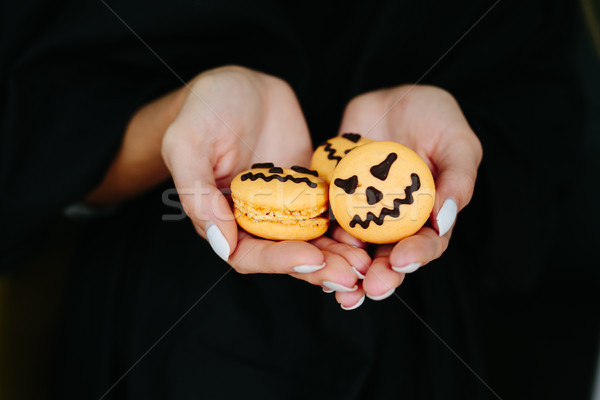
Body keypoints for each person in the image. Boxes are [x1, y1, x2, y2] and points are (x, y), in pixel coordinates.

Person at [1, 0, 598, 399]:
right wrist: (172, 126)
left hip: (421, 342)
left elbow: (546, 126)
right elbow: (31, 132)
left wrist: (455, 148)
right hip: (158, 334)